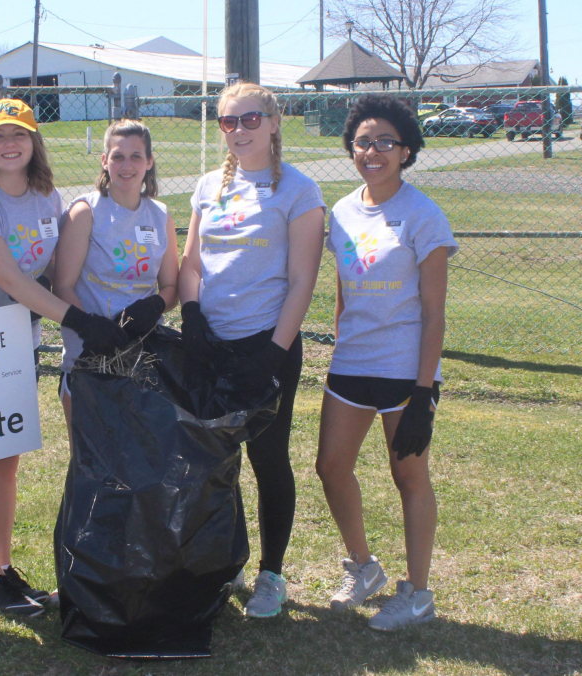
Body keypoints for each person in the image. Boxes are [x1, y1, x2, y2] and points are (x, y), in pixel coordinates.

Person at [0, 99, 128, 616]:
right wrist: (82, 321)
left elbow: (55, 269)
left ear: (33, 141)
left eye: (18, 134)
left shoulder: (47, 196)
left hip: (20, 344)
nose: (9, 144)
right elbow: (11, 279)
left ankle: (3, 568)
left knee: (5, 464)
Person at [178, 82, 326, 618]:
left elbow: (302, 279)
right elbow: (191, 262)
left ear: (273, 122)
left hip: (267, 345)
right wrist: (191, 313)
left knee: (267, 459)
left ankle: (271, 574)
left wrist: (272, 352)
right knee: (216, 460)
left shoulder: (299, 191)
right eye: (227, 122)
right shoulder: (207, 187)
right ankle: (227, 559)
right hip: (211, 346)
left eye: (249, 120)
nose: (238, 131)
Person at [314, 93, 458, 631]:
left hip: (404, 370)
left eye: (385, 142)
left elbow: (434, 313)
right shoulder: (342, 210)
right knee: (331, 467)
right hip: (352, 364)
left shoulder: (424, 214)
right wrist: (339, 339)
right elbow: (343, 291)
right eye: (363, 141)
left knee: (409, 477)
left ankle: (418, 594)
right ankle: (364, 567)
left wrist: (424, 392)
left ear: (406, 150)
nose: (372, 151)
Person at [54, 119, 179, 433]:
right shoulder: (86, 212)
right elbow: (62, 286)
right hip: (91, 353)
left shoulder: (160, 215)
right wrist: (92, 328)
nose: (127, 165)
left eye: (136, 156)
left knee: (141, 459)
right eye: (118, 156)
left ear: (149, 162)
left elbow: (171, 286)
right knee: (90, 460)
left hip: (142, 353)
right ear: (104, 161)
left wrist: (153, 308)